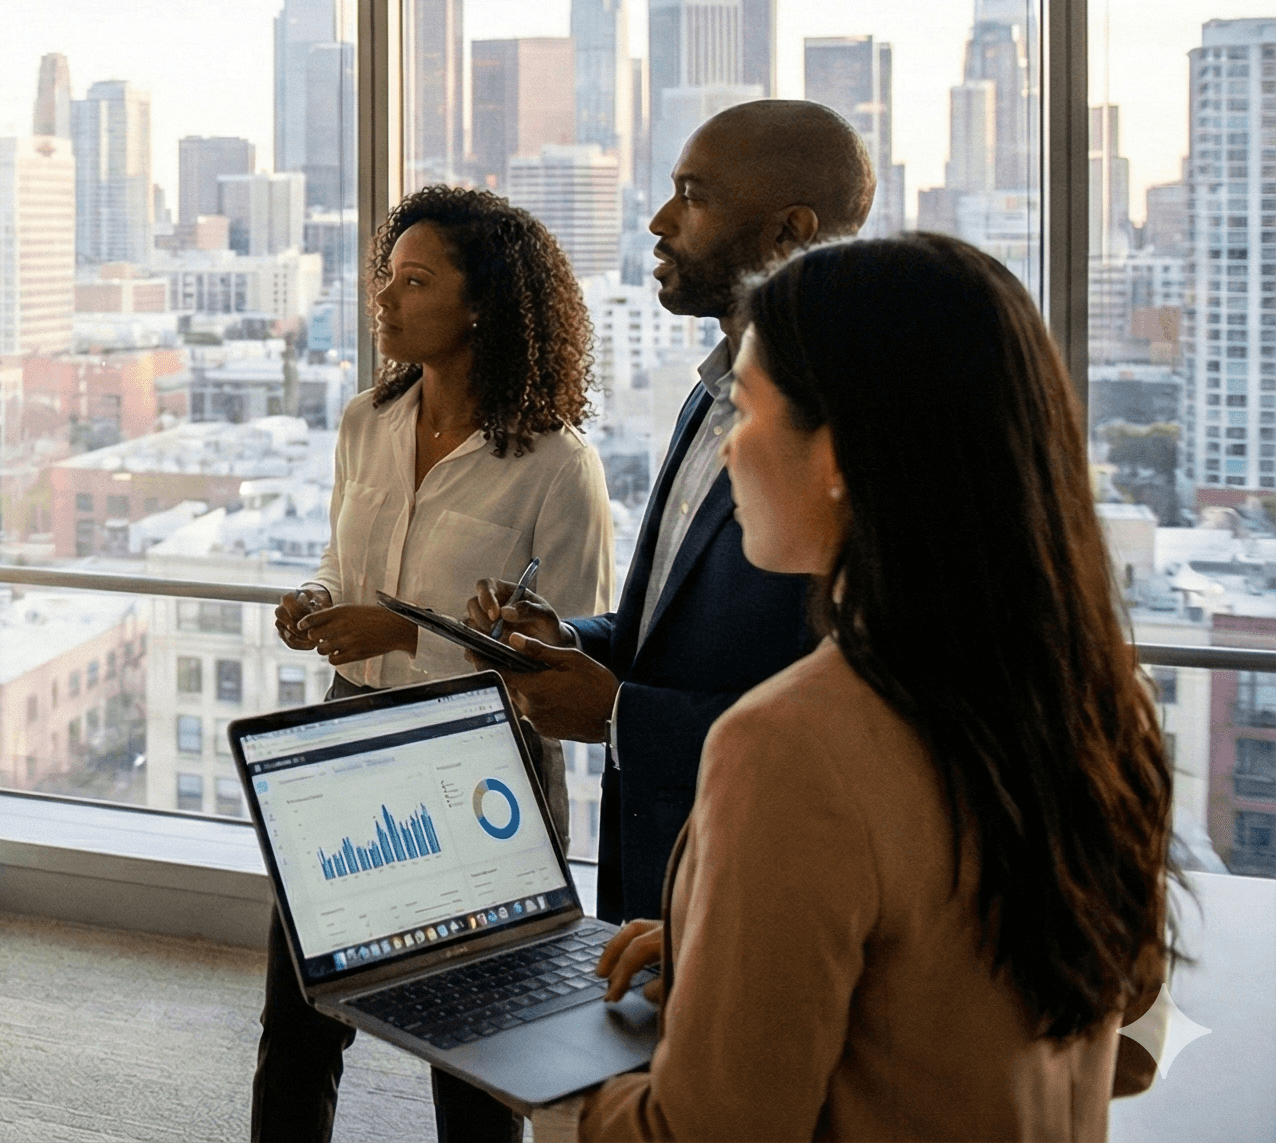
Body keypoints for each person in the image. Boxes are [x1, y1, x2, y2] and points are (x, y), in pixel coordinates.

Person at [573, 234, 1176, 1138]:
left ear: (846, 452)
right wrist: (736, 960)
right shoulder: (1095, 698)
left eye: (745, 411)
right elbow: (1108, 994)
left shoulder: (789, 744)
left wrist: (573, 1086)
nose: (729, 452)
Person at [259, 185, 616, 1143]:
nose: (384, 298)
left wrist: (407, 635)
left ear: (483, 305)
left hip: (484, 767)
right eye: (385, 276)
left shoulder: (554, 463)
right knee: (297, 1025)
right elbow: (344, 569)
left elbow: (571, 653)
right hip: (347, 737)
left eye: (413, 282)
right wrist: (319, 605)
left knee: (478, 1056)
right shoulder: (363, 422)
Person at [465, 100, 870, 929]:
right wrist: (572, 642)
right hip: (654, 872)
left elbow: (864, 730)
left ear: (787, 231)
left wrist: (618, 716)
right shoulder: (706, 399)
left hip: (767, 886)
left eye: (693, 196)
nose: (657, 221)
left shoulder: (849, 440)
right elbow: (672, 628)